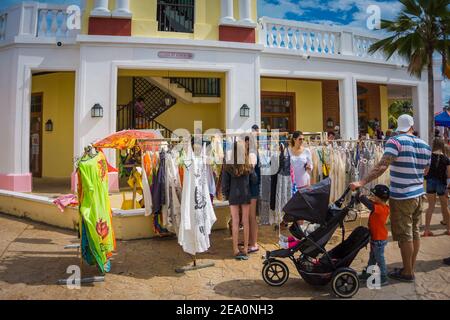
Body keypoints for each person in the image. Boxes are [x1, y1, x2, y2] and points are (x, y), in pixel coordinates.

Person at [350, 114, 431, 282]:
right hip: (418, 194)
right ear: (412, 126)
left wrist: (362, 181)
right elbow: (426, 171)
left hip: (402, 196)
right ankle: (409, 268)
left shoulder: (395, 142)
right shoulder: (425, 145)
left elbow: (382, 166)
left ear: (398, 127)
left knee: (404, 234)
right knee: (415, 232)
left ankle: (407, 272)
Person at [222, 140, 253, 260]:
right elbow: (253, 180)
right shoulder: (248, 164)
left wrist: (226, 195)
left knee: (235, 221)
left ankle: (235, 249)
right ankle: (245, 248)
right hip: (245, 194)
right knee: (245, 221)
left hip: (233, 195)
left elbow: (225, 184)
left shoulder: (228, 165)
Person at [357, 185, 391, 286]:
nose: (372, 196)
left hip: (379, 239)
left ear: (379, 198)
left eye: (374, 195)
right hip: (375, 238)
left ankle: (384, 277)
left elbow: (369, 205)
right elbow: (371, 203)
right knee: (372, 257)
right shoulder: (379, 205)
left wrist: (360, 196)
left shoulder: (382, 208)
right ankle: (368, 273)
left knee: (379, 258)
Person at [423, 138, 450, 236]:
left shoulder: (429, 157)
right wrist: (448, 188)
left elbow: (425, 171)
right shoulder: (446, 159)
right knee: (445, 207)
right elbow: (449, 174)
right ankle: (448, 229)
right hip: (442, 184)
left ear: (433, 144)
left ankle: (426, 230)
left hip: (430, 182)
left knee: (430, 206)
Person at [246, 134, 260, 254]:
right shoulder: (253, 153)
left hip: (252, 189)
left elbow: (250, 170)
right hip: (251, 189)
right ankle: (251, 241)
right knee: (250, 217)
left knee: (251, 217)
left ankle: (254, 243)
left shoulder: (252, 155)